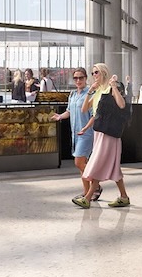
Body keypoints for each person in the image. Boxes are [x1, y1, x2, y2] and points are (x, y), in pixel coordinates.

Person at [79, 74, 131, 208]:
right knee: (112, 168)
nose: (94, 75)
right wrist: (90, 91)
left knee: (99, 163)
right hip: (101, 132)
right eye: (92, 72)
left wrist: (113, 86)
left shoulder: (113, 91)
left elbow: (121, 104)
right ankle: (123, 196)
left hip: (110, 134)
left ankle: (88, 197)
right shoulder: (99, 92)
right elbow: (87, 110)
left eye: (96, 72)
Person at [50, 67, 98, 202]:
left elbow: (93, 115)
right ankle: (87, 191)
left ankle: (95, 185)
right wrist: (60, 116)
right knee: (83, 163)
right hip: (75, 133)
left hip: (86, 133)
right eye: (75, 78)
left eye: (81, 78)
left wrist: (86, 128)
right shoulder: (72, 95)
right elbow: (69, 111)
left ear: (85, 78)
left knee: (78, 162)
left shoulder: (90, 94)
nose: (78, 80)